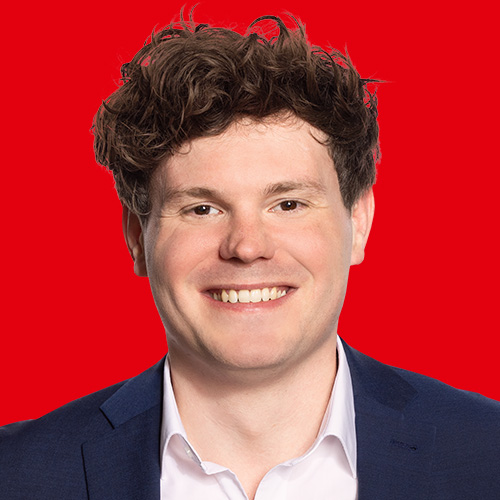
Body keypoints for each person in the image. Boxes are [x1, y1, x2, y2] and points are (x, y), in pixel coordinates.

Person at [1, 14, 499, 500]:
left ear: (358, 222)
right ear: (137, 237)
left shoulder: (487, 454)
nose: (246, 246)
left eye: (288, 204)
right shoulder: (16, 474)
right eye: (202, 208)